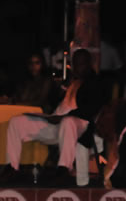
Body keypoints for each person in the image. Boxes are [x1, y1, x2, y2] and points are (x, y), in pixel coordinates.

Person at [0, 49, 107, 184]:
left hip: (79, 124)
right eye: (75, 64)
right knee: (17, 122)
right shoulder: (71, 81)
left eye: (81, 64)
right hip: (57, 123)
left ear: (88, 64)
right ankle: (12, 167)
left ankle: (63, 168)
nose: (78, 67)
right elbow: (53, 102)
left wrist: (63, 117)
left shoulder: (95, 82)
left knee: (68, 122)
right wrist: (58, 97)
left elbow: (90, 109)